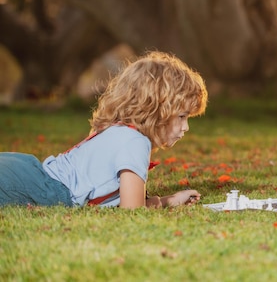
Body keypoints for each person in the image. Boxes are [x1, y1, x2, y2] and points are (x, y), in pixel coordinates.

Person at [0, 51, 208, 209]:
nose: (186, 127)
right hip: (36, 187)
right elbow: (132, 210)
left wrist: (167, 199)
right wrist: (168, 201)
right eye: (182, 117)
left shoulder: (120, 132)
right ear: (155, 109)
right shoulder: (135, 142)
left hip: (25, 171)